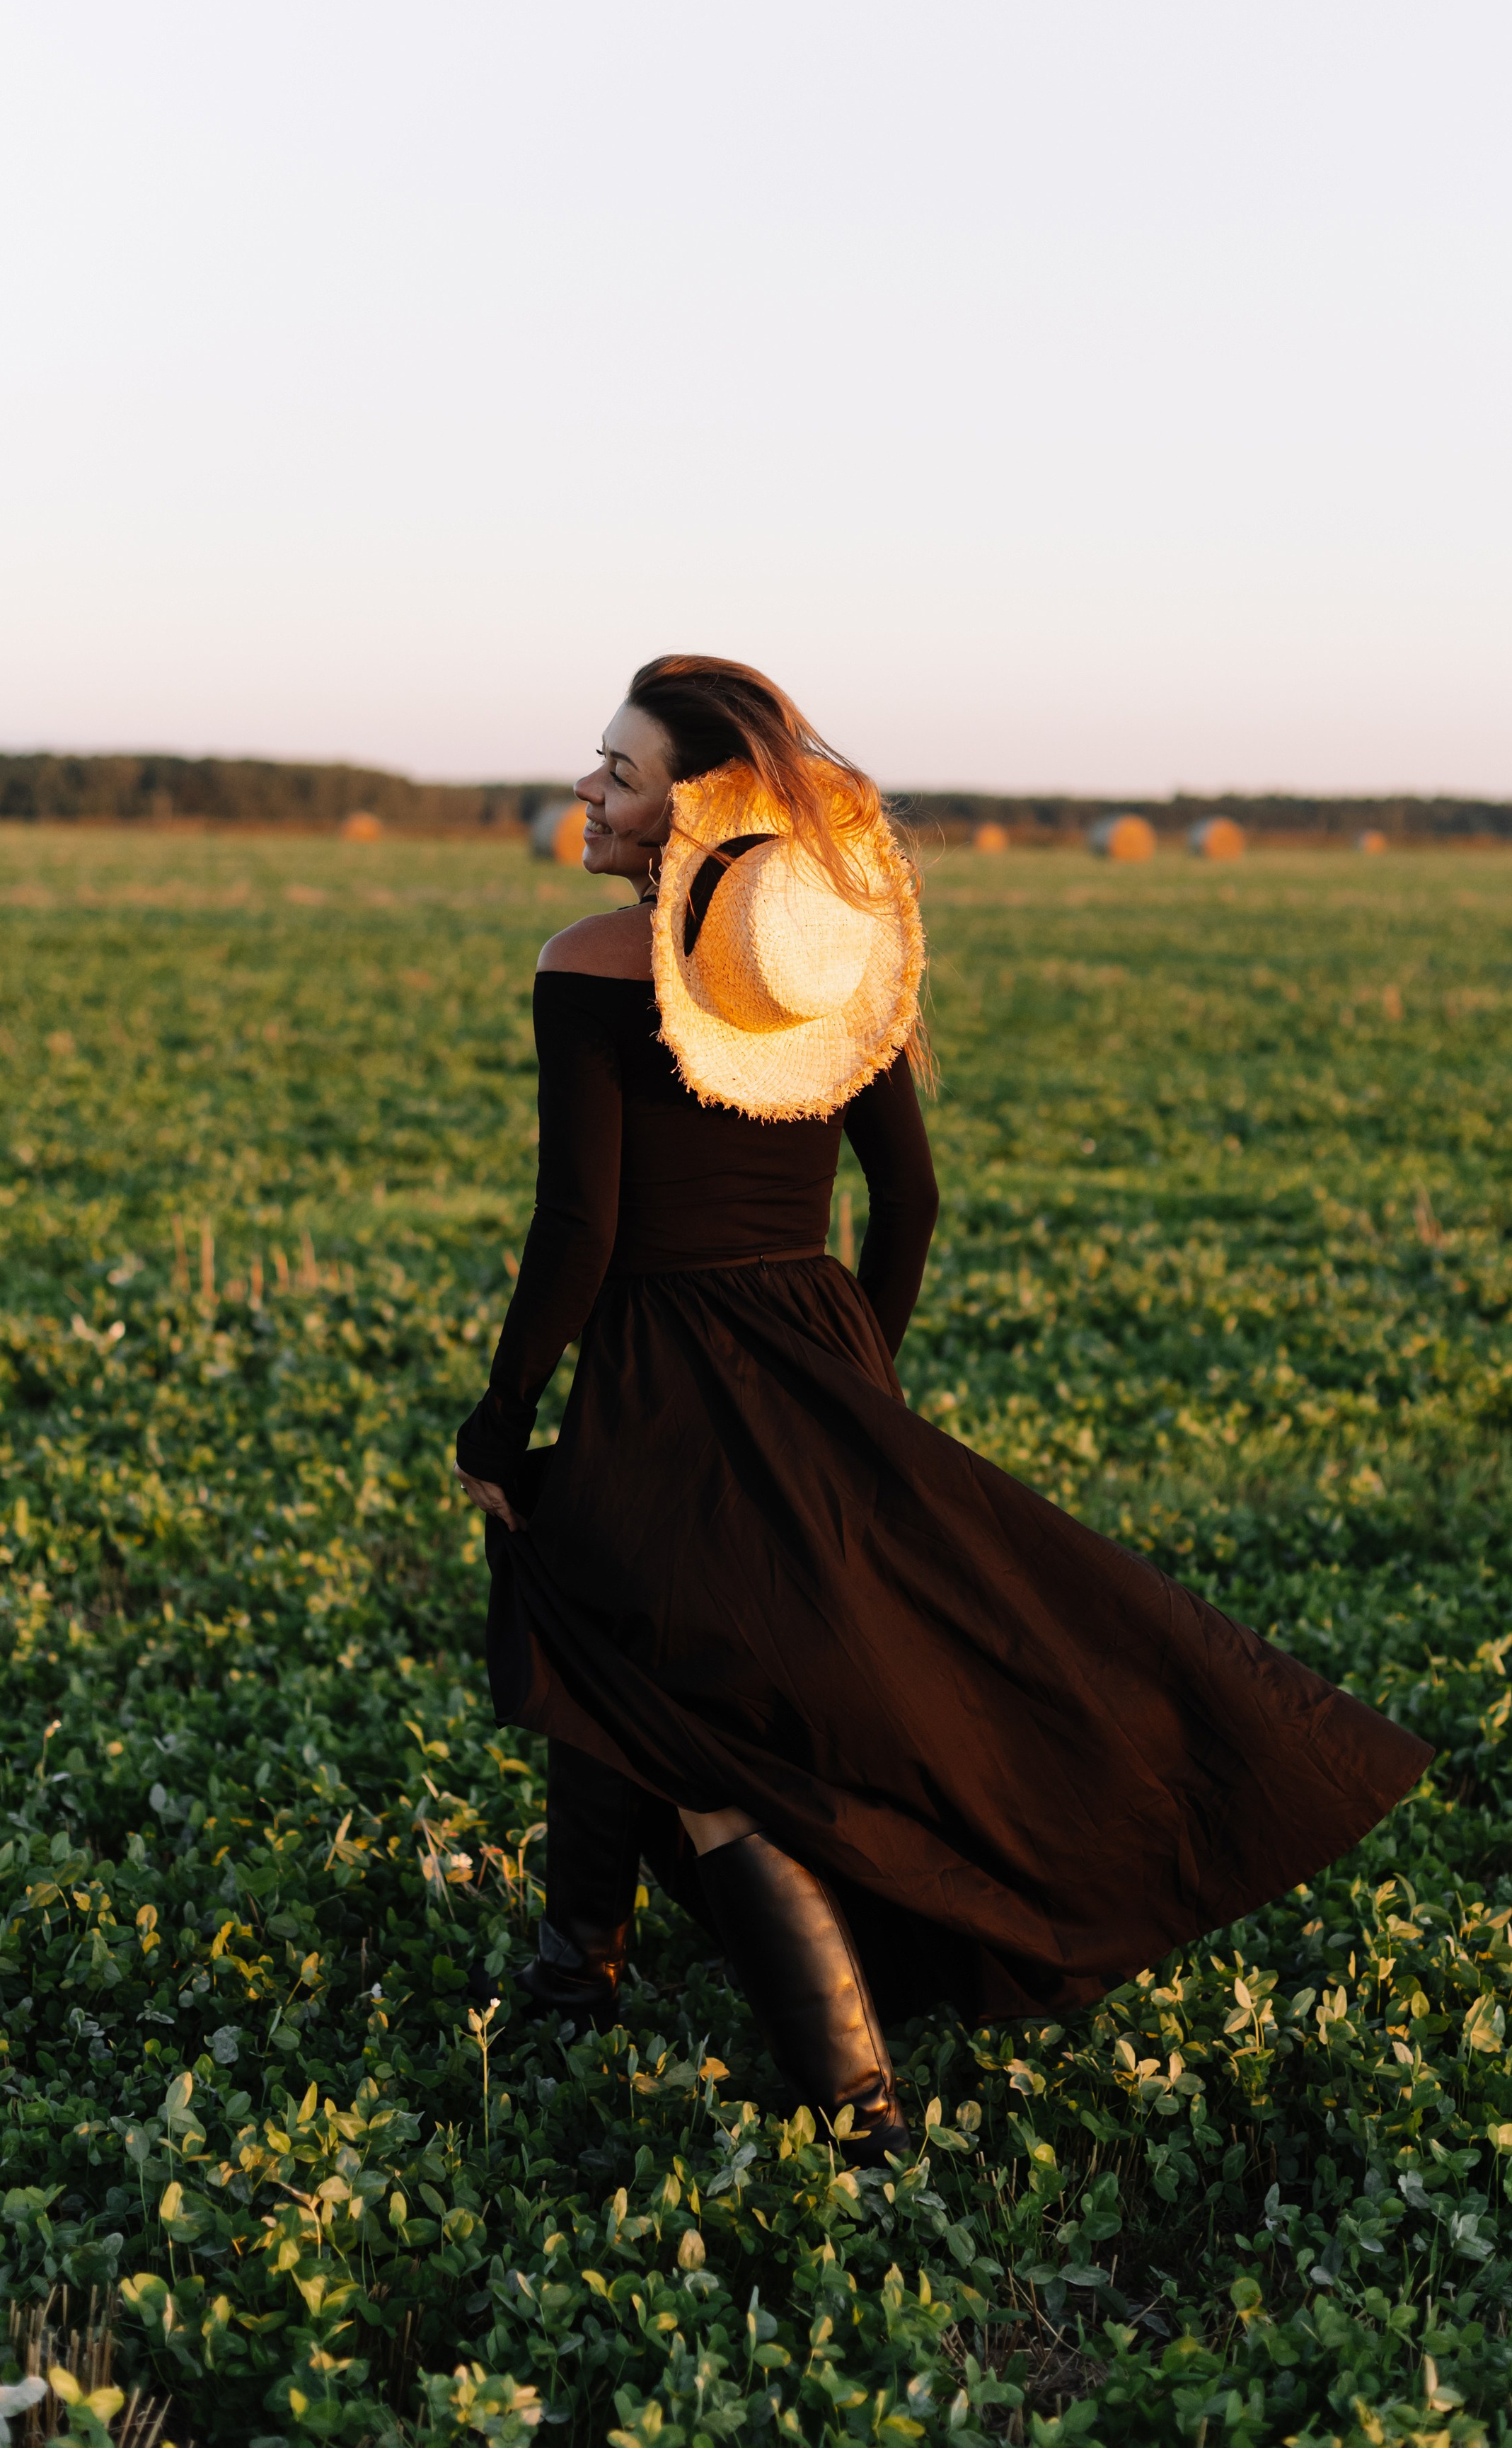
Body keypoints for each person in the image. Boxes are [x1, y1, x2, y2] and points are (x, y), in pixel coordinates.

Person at [456, 655, 1430, 2166]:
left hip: (658, 1371)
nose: (586, 790)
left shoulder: (586, 962)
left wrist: (498, 1417)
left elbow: (575, 1231)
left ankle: (851, 2122)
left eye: (619, 773)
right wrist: (860, 1375)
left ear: (686, 808)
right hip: (804, 1347)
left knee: (679, 1708)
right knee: (625, 1634)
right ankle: (570, 1973)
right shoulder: (826, 967)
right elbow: (905, 1199)